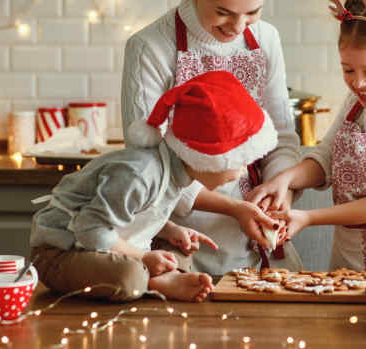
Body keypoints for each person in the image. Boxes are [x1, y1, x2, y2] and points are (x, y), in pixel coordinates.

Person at [30, 71, 279, 302]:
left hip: (105, 245)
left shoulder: (178, 171)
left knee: (180, 252)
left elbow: (138, 213)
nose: (245, 170)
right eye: (240, 160)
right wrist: (143, 258)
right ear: (207, 158)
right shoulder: (140, 174)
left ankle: (158, 276)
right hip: (62, 251)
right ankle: (152, 280)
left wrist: (169, 230)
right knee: (128, 277)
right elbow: (91, 230)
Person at [248, 0, 366, 271]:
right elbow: (324, 162)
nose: (358, 83)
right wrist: (284, 179)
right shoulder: (355, 104)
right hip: (346, 262)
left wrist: (308, 217)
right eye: (348, 69)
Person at [121, 0, 303, 275]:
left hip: (260, 243)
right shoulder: (150, 46)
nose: (239, 26)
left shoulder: (266, 38)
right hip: (181, 241)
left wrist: (278, 191)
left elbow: (283, 138)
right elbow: (149, 164)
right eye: (223, 12)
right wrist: (235, 209)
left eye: (253, 13)